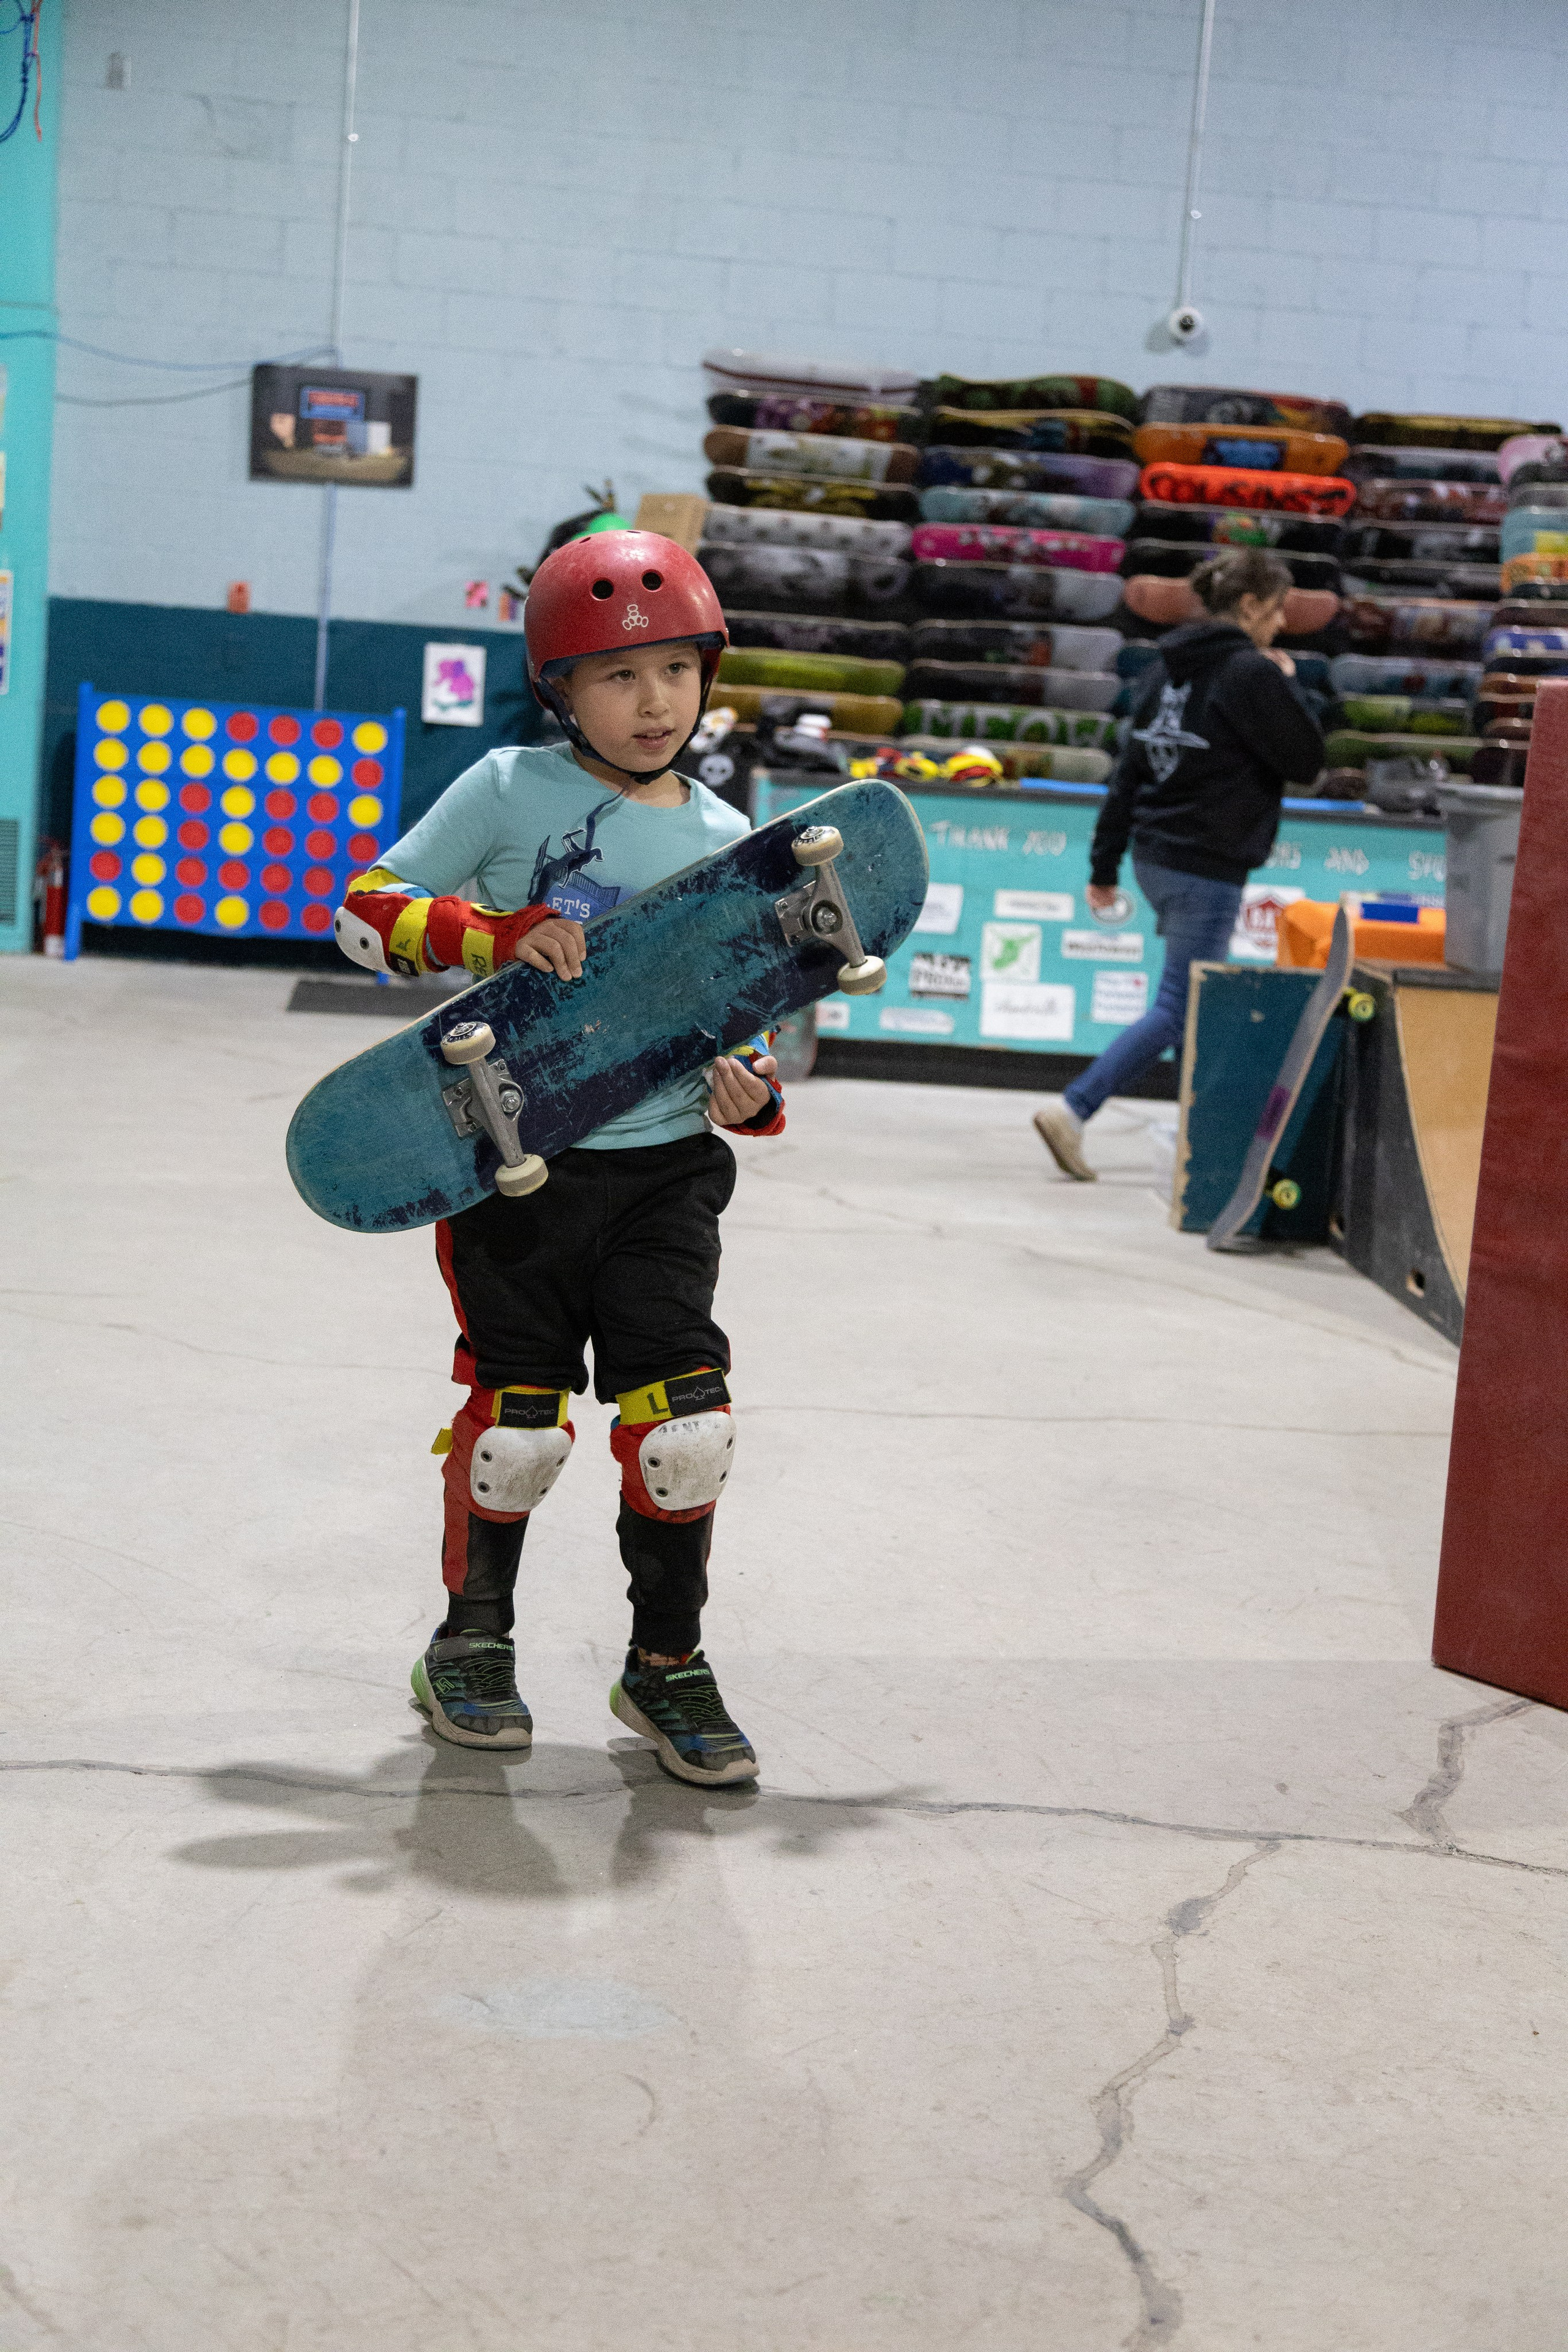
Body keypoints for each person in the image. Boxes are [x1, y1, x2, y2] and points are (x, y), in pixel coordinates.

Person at [334, 530, 783, 1784]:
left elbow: (737, 1014)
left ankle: (666, 1668)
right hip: (513, 1162)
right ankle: (469, 1648)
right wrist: (488, 935)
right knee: (515, 1432)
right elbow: (362, 917)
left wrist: (750, 1092)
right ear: (560, 690)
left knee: (684, 1429)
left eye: (676, 674)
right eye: (618, 678)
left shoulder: (726, 830)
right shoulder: (504, 790)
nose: (654, 705)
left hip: (663, 1172)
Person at [1033, 546, 1325, 1180]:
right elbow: (1306, 759)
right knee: (1181, 1005)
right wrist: (1287, 682)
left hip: (1156, 855)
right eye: (1275, 611)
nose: (1278, 625)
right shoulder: (1252, 674)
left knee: (1193, 999)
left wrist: (1104, 867)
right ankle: (1073, 1109)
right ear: (1249, 606)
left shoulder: (1164, 672)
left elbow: (1129, 774)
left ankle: (1207, 1128)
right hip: (1205, 862)